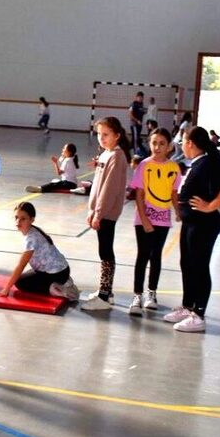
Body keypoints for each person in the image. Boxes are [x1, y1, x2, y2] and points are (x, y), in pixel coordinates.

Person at [164, 127, 220, 333]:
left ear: (191, 143)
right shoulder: (197, 163)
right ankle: (188, 306)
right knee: (187, 263)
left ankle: (199, 314)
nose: (182, 146)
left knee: (199, 266)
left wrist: (209, 206)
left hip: (204, 224)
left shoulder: (208, 163)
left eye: (183, 142)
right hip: (190, 223)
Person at [127, 128, 181, 316]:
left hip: (163, 219)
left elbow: (174, 193)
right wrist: (145, 220)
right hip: (144, 219)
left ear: (169, 146)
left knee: (156, 256)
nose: (157, 147)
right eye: (154, 143)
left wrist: (178, 211)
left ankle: (152, 293)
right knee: (143, 255)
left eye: (162, 143)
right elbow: (139, 195)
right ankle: (137, 296)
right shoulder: (144, 165)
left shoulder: (174, 167)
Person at [80, 116, 131, 311]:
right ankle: (107, 293)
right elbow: (97, 185)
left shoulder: (117, 156)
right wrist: (91, 210)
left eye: (106, 134)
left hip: (107, 212)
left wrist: (98, 214)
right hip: (100, 211)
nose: (101, 138)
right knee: (104, 250)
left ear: (117, 136)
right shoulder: (106, 154)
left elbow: (109, 189)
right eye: (99, 134)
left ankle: (104, 294)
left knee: (106, 251)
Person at [0, 202, 79, 300]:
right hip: (63, 270)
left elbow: (21, 265)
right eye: (16, 217)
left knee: (20, 283)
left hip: (56, 274)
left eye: (23, 219)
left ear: (32, 220)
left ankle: (58, 289)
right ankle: (65, 281)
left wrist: (6, 289)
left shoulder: (31, 239)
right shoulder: (33, 231)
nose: (18, 221)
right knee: (24, 277)